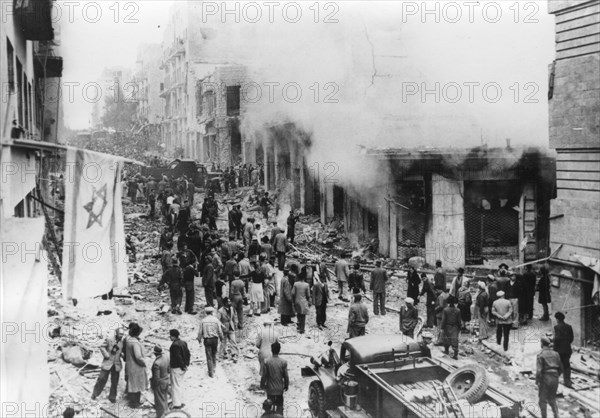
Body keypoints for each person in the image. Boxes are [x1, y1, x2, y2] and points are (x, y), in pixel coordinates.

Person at [91, 328, 124, 403]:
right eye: (120, 334)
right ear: (116, 334)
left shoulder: (122, 343)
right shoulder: (109, 339)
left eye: (122, 334)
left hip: (116, 364)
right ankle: (95, 394)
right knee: (101, 379)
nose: (121, 336)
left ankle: (112, 397)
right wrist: (106, 355)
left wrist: (122, 355)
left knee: (115, 381)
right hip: (107, 363)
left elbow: (122, 351)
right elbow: (102, 347)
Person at [536, 336, 562, 418]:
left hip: (545, 378)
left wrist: (537, 381)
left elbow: (539, 371)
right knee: (552, 398)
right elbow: (561, 368)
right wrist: (556, 376)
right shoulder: (556, 354)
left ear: (542, 344)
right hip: (555, 378)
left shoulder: (540, 355)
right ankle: (556, 415)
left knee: (542, 401)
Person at [261, 342, 289, 416]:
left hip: (270, 389)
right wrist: (286, 385)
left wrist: (262, 385)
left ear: (271, 350)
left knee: (269, 410)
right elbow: (286, 376)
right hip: (279, 390)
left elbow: (264, 376)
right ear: (279, 350)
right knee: (280, 409)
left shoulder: (267, 361)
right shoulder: (283, 362)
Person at [124, 323, 147, 408]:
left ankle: (130, 398)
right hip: (136, 366)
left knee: (132, 383)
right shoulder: (135, 343)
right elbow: (138, 357)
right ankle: (134, 403)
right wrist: (143, 362)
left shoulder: (128, 340)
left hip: (130, 364)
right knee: (137, 385)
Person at [197, 306, 223, 378]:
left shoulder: (203, 321)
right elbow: (220, 331)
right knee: (214, 354)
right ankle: (214, 368)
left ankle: (210, 372)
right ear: (212, 312)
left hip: (207, 340)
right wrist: (221, 338)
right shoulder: (216, 320)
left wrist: (199, 339)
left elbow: (200, 332)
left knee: (209, 356)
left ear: (206, 313)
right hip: (215, 339)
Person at [169, 329, 190, 410]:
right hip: (183, 367)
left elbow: (178, 357)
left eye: (170, 335)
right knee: (180, 384)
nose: (169, 337)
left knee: (175, 386)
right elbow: (188, 354)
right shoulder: (184, 343)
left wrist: (182, 366)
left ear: (173, 336)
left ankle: (177, 404)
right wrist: (186, 364)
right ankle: (180, 401)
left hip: (176, 367)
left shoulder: (174, 345)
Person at [553, 312, 574, 388]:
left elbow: (557, 339)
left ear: (557, 319)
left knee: (558, 365)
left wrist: (554, 349)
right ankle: (567, 382)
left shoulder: (557, 327)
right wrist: (566, 344)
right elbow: (571, 338)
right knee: (566, 365)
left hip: (559, 350)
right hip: (567, 349)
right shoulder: (569, 327)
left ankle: (554, 380)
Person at [151, 345, 170, 418]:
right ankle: (166, 413)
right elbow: (168, 370)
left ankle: (161, 415)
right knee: (165, 399)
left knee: (159, 401)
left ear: (155, 353)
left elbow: (156, 378)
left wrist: (154, 385)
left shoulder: (156, 363)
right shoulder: (166, 357)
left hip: (160, 384)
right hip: (166, 380)